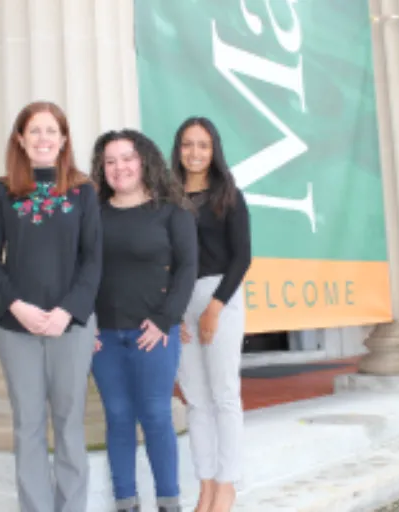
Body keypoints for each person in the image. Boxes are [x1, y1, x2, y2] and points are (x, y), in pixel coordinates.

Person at [0, 100, 102, 512]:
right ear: (20, 138)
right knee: (28, 424)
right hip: (17, 326)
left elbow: (93, 258)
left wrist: (68, 310)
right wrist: (16, 305)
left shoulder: (84, 191)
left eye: (52, 131)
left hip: (71, 323)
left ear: (64, 139)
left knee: (69, 424)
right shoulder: (2, 190)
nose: (43, 138)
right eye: (35, 131)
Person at [90, 129, 198, 512]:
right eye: (111, 161)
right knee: (118, 419)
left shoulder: (171, 212)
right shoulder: (94, 215)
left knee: (155, 416)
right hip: (104, 340)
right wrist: (86, 323)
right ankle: (126, 503)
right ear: (102, 170)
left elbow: (187, 269)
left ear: (144, 161)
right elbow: (80, 271)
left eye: (127, 158)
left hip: (153, 334)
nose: (120, 167)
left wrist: (166, 319)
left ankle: (169, 502)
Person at [171, 117, 252, 512]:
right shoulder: (168, 198)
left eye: (203, 145)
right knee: (195, 401)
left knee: (223, 395)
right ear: (178, 149)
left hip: (221, 296)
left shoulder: (229, 195)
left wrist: (215, 307)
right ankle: (205, 485)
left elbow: (242, 257)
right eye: (188, 144)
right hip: (180, 301)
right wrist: (171, 312)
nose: (195, 152)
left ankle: (227, 484)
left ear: (214, 149)